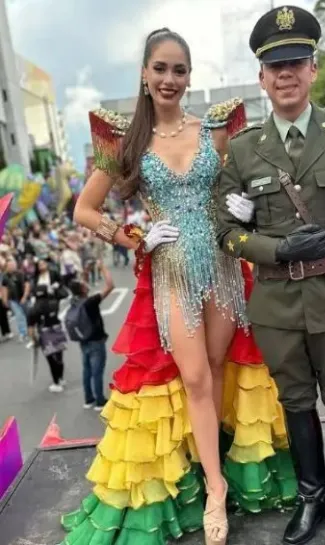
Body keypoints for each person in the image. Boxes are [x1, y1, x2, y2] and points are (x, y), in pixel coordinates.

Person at [65, 27, 295, 545]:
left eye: (180, 70)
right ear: (145, 75)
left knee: (215, 369)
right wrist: (136, 239)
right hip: (171, 272)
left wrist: (248, 210)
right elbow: (84, 209)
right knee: (193, 378)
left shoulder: (215, 131)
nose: (170, 79)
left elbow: (241, 190)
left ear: (189, 77)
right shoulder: (126, 141)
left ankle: (207, 461)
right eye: (161, 69)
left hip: (222, 267)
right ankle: (215, 490)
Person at [214, 7, 325, 545]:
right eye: (274, 66)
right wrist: (275, 247)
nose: (285, 73)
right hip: (276, 304)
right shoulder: (245, 149)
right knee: (294, 401)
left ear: (313, 68)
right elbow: (224, 228)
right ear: (262, 78)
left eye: (295, 61)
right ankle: (311, 497)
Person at [66, 261, 115, 409]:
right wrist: (103, 268)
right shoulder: (91, 302)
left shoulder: (74, 301)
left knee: (86, 370)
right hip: (96, 342)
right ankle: (100, 401)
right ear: (83, 289)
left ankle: (89, 399)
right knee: (97, 371)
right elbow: (110, 286)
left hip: (84, 341)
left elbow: (82, 285)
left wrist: (85, 272)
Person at [27, 282, 69, 392]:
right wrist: (57, 287)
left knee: (51, 359)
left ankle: (56, 383)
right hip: (57, 329)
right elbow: (65, 294)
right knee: (59, 356)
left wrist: (34, 340)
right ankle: (61, 378)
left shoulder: (33, 309)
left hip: (45, 333)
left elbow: (31, 329)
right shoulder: (54, 302)